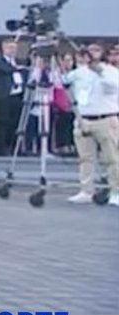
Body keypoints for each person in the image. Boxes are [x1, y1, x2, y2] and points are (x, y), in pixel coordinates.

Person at [62, 43, 119, 206]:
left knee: (112, 158)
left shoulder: (111, 71)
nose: (93, 53)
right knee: (85, 158)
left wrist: (99, 72)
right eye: (90, 50)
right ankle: (86, 190)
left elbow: (114, 86)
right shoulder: (78, 73)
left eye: (96, 50)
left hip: (106, 119)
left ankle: (116, 191)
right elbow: (64, 82)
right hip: (84, 119)